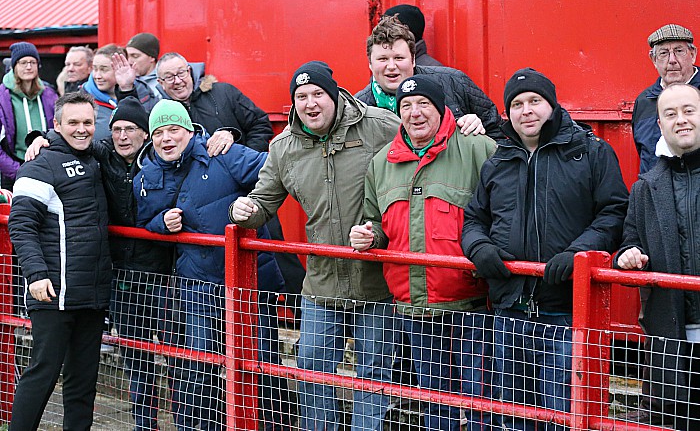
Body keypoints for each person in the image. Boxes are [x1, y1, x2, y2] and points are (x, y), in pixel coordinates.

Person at [230, 61, 399, 430]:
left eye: (318, 94)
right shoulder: (284, 147)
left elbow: (426, 148)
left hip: (376, 279)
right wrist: (245, 210)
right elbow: (263, 201)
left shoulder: (379, 126)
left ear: (334, 95)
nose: (310, 103)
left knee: (373, 374)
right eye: (301, 96)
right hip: (321, 282)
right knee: (311, 367)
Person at [461, 68, 629, 431]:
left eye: (535, 101)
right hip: (510, 312)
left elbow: (614, 212)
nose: (527, 111)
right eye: (517, 104)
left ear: (551, 105)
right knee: (512, 417)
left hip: (567, 314)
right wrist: (481, 249)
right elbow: (474, 219)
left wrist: (578, 252)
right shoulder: (498, 160)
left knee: (566, 417)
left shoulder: (591, 152)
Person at [350, 75, 496, 430]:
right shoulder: (382, 163)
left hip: (471, 304)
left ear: (441, 108)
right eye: (406, 106)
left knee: (482, 403)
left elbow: (503, 215)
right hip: (415, 309)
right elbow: (376, 220)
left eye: (423, 105)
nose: (415, 113)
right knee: (434, 402)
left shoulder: (479, 148)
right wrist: (368, 236)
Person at [135, 99, 289, 430]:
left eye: (174, 129)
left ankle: (275, 426)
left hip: (249, 281)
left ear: (190, 130)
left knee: (261, 361)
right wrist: (162, 222)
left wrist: (254, 205)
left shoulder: (222, 151)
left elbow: (273, 171)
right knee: (200, 363)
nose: (167, 139)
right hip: (197, 283)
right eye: (159, 132)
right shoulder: (146, 176)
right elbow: (143, 220)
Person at [8, 92, 112, 430]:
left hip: (91, 295)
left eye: (87, 123)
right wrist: (35, 274)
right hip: (52, 294)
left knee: (82, 385)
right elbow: (21, 226)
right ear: (56, 124)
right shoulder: (39, 165)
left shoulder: (98, 157)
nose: (81, 129)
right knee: (42, 375)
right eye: (73, 123)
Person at [616, 84, 700, 430]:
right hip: (675, 335)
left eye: (689, 110)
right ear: (661, 126)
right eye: (670, 114)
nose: (681, 120)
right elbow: (628, 240)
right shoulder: (646, 187)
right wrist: (627, 255)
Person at [355, 16, 502, 139]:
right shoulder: (358, 109)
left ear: (413, 60)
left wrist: (478, 131)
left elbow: (499, 134)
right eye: (383, 59)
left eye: (399, 58)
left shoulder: (453, 82)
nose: (392, 66)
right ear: (370, 64)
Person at [116, 51, 273, 152]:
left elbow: (260, 125)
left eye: (181, 73)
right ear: (160, 82)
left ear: (189, 71)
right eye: (169, 77)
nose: (177, 81)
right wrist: (126, 87)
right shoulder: (159, 111)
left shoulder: (224, 93)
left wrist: (247, 161)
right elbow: (133, 126)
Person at [633, 24, 700, 175]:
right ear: (653, 59)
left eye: (679, 51)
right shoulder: (644, 101)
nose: (672, 60)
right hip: (656, 195)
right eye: (664, 53)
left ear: (693, 54)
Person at [0, 42, 58, 189]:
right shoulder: (2, 97)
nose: (28, 66)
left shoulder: (49, 94)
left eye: (33, 62)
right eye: (23, 62)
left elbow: (59, 130)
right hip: (14, 171)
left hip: (47, 168)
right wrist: (18, 171)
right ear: (14, 66)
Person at [82, 44, 155, 141]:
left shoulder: (144, 93)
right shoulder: (82, 100)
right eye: (95, 69)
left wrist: (127, 88)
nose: (97, 76)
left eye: (104, 69)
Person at [125, 32, 161, 98]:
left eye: (135, 56)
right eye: (127, 56)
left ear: (152, 57)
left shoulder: (163, 82)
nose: (129, 61)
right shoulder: (126, 80)